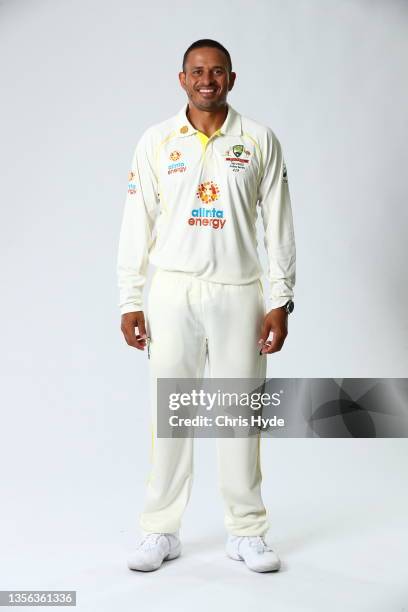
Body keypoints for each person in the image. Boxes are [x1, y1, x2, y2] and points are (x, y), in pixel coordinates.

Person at [117, 38, 296, 573]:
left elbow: (279, 227)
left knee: (241, 413)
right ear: (182, 79)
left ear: (232, 80)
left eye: (217, 72)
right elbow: (135, 225)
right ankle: (160, 530)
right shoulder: (156, 141)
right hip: (172, 292)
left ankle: (246, 532)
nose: (207, 80)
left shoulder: (258, 141)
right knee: (169, 413)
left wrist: (281, 300)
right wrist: (131, 298)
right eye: (198, 71)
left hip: (240, 292)